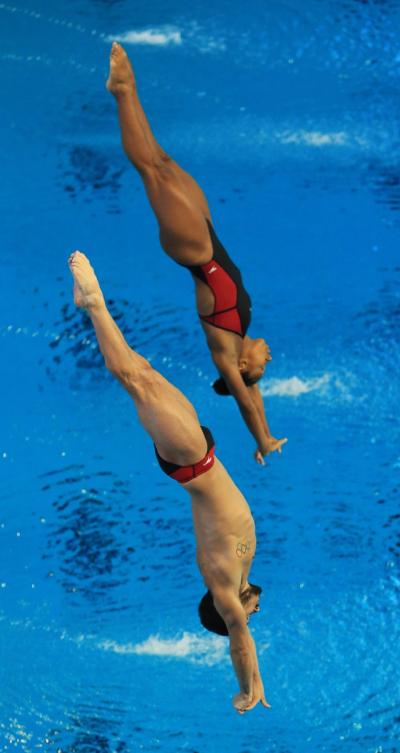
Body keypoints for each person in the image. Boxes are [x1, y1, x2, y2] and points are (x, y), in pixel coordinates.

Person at [68, 250, 270, 714]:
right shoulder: (239, 571)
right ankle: (94, 305)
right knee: (145, 371)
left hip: (191, 460)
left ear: (224, 612)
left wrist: (247, 688)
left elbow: (240, 642)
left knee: (132, 377)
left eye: (242, 617)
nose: (254, 615)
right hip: (202, 450)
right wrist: (258, 679)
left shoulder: (223, 584)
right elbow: (246, 639)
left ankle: (94, 301)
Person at [106, 42, 287, 465]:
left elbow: (246, 403)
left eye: (262, 369)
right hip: (208, 236)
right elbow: (257, 398)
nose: (269, 359)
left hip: (194, 251)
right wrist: (269, 427)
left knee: (151, 171)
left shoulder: (226, 353)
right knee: (163, 162)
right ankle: (128, 89)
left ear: (243, 368)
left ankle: (122, 90)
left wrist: (262, 441)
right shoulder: (240, 336)